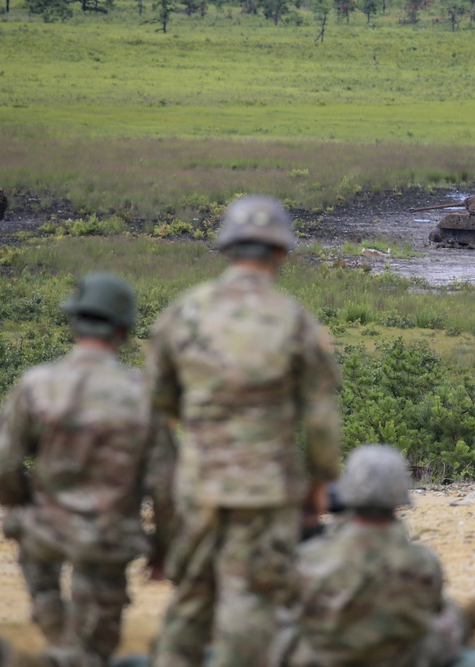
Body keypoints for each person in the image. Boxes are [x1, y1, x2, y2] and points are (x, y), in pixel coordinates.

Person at [148, 195, 343, 667]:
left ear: (228, 250)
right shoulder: (294, 320)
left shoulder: (185, 311)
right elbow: (319, 415)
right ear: (280, 253)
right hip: (267, 488)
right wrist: (320, 482)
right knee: (252, 603)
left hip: (197, 483)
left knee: (191, 598)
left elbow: (160, 399)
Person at [0, 272, 176, 667]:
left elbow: (1, 466)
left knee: (61, 630)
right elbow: (166, 487)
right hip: (108, 538)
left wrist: (23, 510)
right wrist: (163, 547)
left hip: (43, 533)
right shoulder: (142, 395)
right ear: (123, 331)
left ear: (73, 323)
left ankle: (59, 646)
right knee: (94, 648)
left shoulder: (37, 385)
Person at [273, 444, 475, 667]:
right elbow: (429, 608)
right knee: (442, 625)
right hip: (400, 659)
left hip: (322, 659)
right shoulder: (422, 561)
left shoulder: (312, 556)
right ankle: (460, 619)